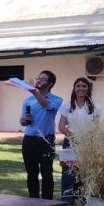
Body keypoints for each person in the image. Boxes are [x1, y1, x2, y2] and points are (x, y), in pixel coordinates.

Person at [57, 77, 102, 206]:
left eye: (84, 86)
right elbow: (61, 126)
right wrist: (73, 136)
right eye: (78, 86)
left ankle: (85, 204)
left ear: (88, 89)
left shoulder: (95, 107)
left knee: (85, 175)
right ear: (74, 88)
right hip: (70, 143)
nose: (81, 89)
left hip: (88, 144)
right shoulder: (66, 106)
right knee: (68, 175)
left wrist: (85, 139)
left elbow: (95, 126)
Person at [19, 70, 63, 199]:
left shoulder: (56, 99)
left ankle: (47, 202)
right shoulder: (28, 100)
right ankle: (33, 201)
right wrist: (24, 120)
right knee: (31, 173)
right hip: (29, 139)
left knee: (46, 172)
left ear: (50, 84)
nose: (38, 80)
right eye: (38, 78)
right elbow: (21, 121)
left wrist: (36, 93)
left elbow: (48, 106)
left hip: (46, 139)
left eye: (43, 79)